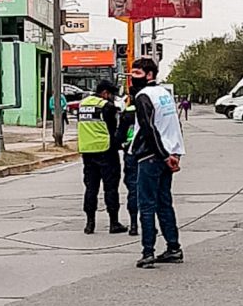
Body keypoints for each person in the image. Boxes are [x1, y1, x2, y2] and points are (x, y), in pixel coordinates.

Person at [128, 58, 186, 269]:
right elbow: (175, 126)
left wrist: (162, 155)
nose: (132, 78)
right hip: (168, 154)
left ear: (149, 75)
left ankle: (148, 251)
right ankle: (173, 247)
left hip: (151, 156)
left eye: (137, 73)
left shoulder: (143, 97)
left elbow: (148, 129)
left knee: (146, 205)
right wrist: (175, 154)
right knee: (164, 203)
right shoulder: (164, 95)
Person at [77, 80, 128, 235]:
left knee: (91, 188)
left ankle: (89, 223)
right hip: (106, 151)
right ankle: (114, 223)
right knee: (110, 188)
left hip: (87, 151)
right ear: (105, 93)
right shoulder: (107, 106)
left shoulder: (82, 104)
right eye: (111, 94)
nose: (112, 97)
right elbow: (114, 130)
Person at [116, 92, 139, 236]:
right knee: (150, 191)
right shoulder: (151, 108)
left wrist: (120, 145)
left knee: (133, 188)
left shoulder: (127, 113)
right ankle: (150, 225)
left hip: (130, 152)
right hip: (149, 154)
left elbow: (120, 135)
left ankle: (134, 224)